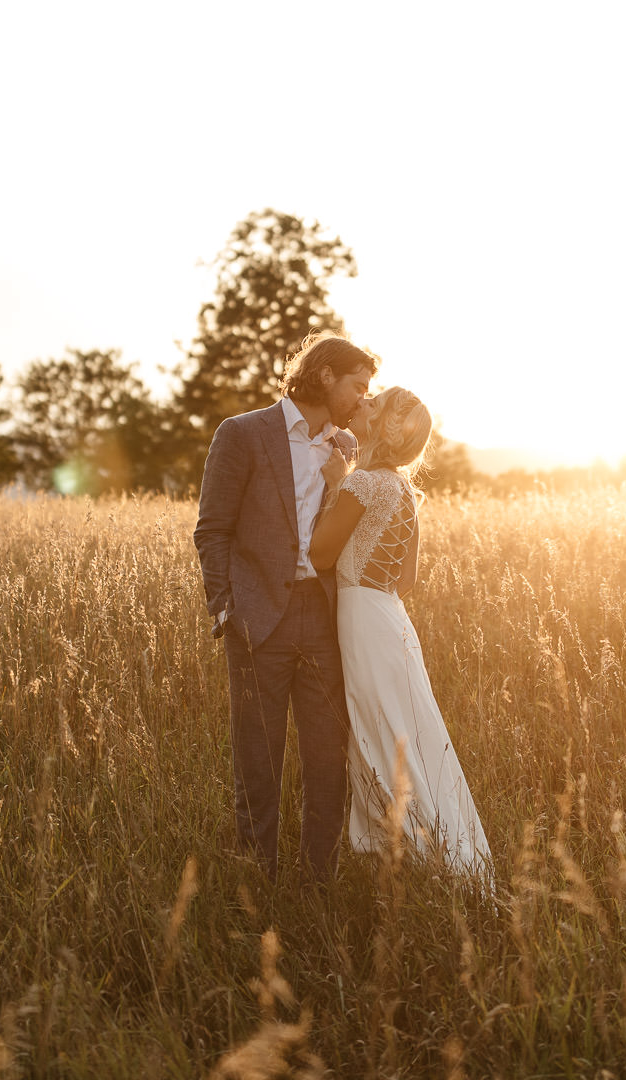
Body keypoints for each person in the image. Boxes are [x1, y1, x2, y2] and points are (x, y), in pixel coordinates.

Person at [192, 333, 377, 879]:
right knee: (257, 756)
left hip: (324, 620)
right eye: (358, 385)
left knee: (327, 757)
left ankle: (320, 882)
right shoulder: (244, 434)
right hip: (257, 619)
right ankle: (256, 882)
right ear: (324, 377)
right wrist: (224, 607)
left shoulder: (347, 448)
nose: (364, 397)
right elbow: (213, 528)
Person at [309, 386, 492, 883]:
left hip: (364, 622)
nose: (362, 405)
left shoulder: (363, 483)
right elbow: (405, 580)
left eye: (374, 404)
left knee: (377, 731)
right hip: (390, 619)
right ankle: (441, 852)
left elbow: (321, 556)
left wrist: (333, 485)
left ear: (385, 426)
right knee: (408, 735)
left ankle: (414, 855)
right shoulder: (404, 488)